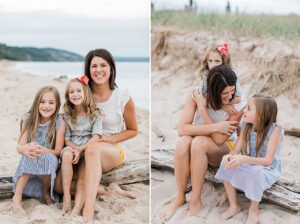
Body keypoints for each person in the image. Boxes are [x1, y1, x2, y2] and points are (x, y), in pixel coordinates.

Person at [160, 65, 244, 221]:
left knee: (198, 143)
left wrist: (202, 110)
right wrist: (215, 125)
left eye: (232, 91)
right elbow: (182, 129)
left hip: (225, 148)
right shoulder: (197, 95)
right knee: (183, 142)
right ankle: (180, 197)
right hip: (203, 142)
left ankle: (195, 201)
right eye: (224, 93)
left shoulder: (234, 105)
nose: (230, 96)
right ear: (212, 90)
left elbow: (219, 139)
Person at [81, 48, 138, 221]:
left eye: (103, 65)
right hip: (84, 148)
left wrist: (110, 138)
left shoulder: (123, 97)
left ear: (111, 69)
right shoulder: (82, 95)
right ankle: (109, 190)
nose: (99, 70)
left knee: (93, 150)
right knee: (61, 186)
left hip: (112, 149)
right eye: (94, 66)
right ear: (88, 70)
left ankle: (88, 209)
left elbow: (133, 130)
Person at [215, 95, 283, 224]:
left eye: (249, 108)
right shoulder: (247, 126)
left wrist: (244, 159)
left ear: (261, 114)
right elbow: (236, 149)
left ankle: (254, 208)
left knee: (257, 173)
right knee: (226, 163)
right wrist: (230, 156)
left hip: (268, 168)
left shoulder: (275, 131)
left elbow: (268, 160)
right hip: (251, 163)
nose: (244, 110)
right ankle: (234, 205)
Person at [12, 86, 65, 217]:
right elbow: (20, 146)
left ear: (57, 105)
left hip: (49, 165)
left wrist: (45, 150)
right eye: (42, 102)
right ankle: (16, 198)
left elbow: (58, 151)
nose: (46, 106)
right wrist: (25, 149)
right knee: (31, 150)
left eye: (51, 102)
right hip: (29, 169)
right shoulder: (29, 118)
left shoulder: (59, 121)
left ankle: (46, 191)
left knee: (45, 155)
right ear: (37, 103)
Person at [60, 76, 102, 215]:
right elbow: (67, 139)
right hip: (72, 147)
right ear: (68, 95)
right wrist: (74, 149)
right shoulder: (67, 115)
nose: (75, 94)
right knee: (66, 154)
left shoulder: (95, 114)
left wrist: (81, 150)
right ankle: (66, 196)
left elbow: (96, 136)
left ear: (85, 93)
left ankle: (77, 208)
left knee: (82, 179)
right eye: (72, 92)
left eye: (78, 91)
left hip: (87, 150)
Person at [200, 42, 242, 115]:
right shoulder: (206, 75)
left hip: (230, 106)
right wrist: (222, 106)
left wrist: (225, 103)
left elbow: (238, 98)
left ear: (224, 62)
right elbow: (205, 97)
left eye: (217, 61)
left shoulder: (230, 76)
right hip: (213, 108)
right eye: (210, 61)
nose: (213, 65)